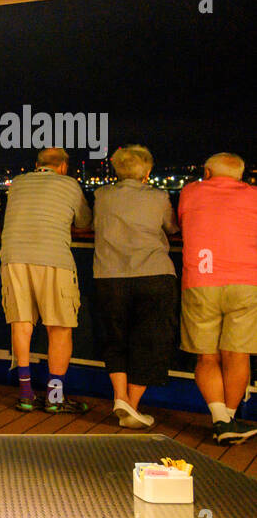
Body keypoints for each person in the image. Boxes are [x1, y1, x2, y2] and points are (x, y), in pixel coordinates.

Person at [0, 147, 93, 413]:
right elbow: (84, 221)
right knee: (60, 326)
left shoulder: (17, 183)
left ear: (36, 164)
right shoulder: (70, 184)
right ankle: (54, 397)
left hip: (14, 256)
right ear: (63, 166)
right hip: (54, 257)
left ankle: (26, 393)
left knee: (21, 323)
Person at [92, 145, 179, 430]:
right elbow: (172, 228)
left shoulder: (102, 195)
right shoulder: (159, 196)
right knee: (150, 340)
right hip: (153, 274)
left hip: (109, 276)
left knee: (114, 338)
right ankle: (132, 402)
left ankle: (120, 397)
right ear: (147, 171)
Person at [177, 152, 257, 443]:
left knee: (207, 356)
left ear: (207, 173)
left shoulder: (190, 192)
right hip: (247, 282)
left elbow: (181, 220)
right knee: (238, 354)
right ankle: (230, 420)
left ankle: (220, 418)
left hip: (201, 280)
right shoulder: (253, 195)